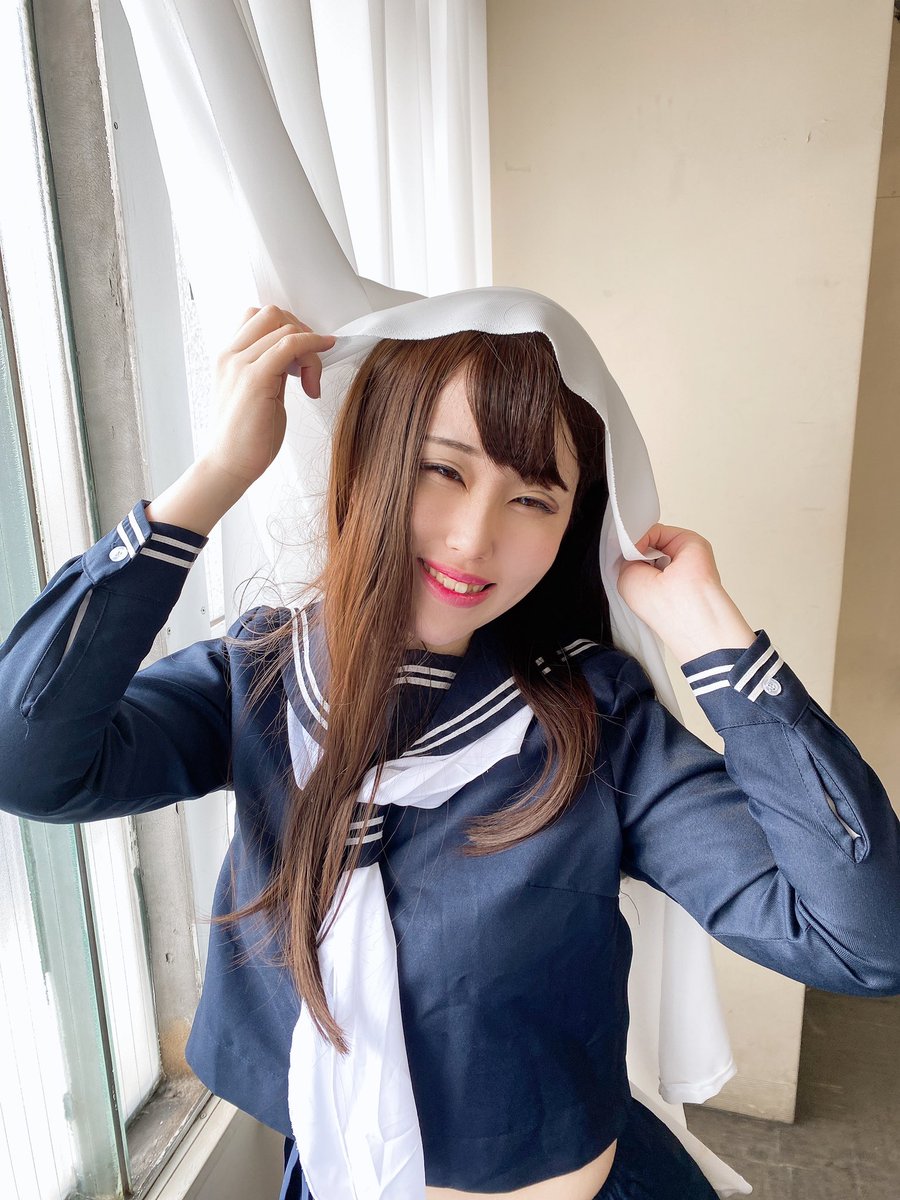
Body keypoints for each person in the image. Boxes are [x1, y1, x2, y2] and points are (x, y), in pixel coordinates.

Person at [1, 297, 899, 1200]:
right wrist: (215, 477)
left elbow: (863, 940)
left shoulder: (594, 720)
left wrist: (718, 642)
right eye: (442, 469)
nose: (475, 539)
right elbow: (25, 759)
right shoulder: (261, 680)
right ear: (370, 461)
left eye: (533, 499)